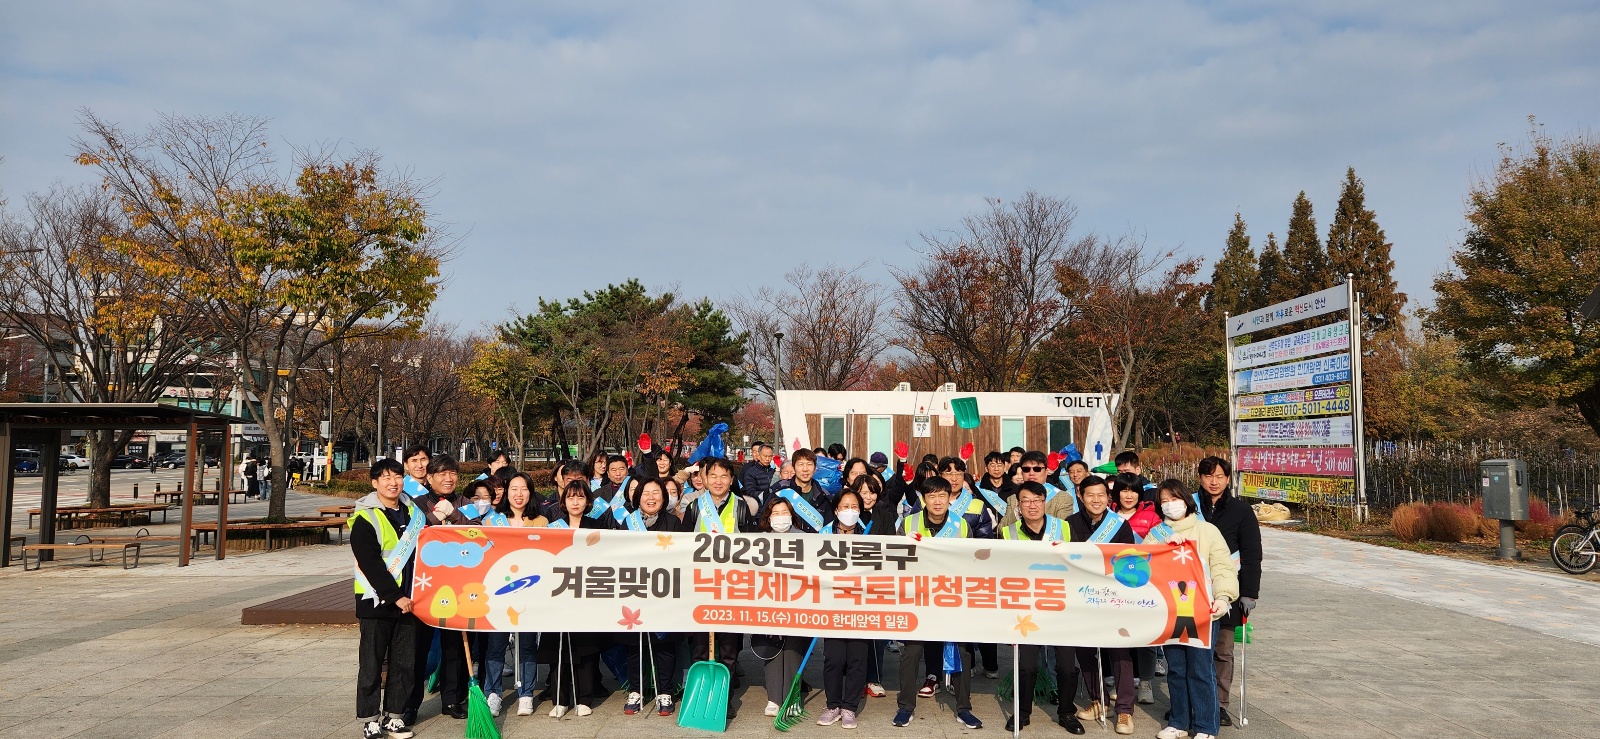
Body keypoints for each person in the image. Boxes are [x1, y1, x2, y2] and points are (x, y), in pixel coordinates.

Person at [1151, 479, 1238, 739]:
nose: (1170, 505)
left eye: (1174, 499)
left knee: (1200, 668)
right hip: (1170, 611)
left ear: (1186, 501)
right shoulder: (1156, 533)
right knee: (1176, 668)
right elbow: (1144, 565)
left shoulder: (1207, 531)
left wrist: (1224, 596)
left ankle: (1205, 726)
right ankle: (1179, 721)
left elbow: (1222, 566)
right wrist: (1162, 546)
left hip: (1202, 610)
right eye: (1164, 501)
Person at [893, 476, 981, 729]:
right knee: (911, 652)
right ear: (924, 499)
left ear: (949, 498)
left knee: (961, 652)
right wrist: (904, 544)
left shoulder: (961, 526)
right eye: (931, 496)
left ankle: (964, 708)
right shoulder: (908, 523)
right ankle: (905, 706)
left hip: (951, 597)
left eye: (942, 495)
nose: (937, 501)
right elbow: (896, 560)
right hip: (918, 598)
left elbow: (971, 561)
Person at [677, 457, 758, 719]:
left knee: (729, 647)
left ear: (732, 480)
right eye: (713, 476)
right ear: (704, 478)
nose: (718, 481)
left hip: (732, 586)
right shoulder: (695, 507)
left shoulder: (741, 506)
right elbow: (683, 544)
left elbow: (751, 545)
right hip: (702, 585)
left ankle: (724, 698)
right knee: (701, 646)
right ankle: (701, 695)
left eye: (724, 476)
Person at [1001, 481, 1080, 733]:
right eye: (1026, 501)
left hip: (1060, 606)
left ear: (1045, 502)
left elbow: (1081, 562)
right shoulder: (1007, 533)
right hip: (1026, 608)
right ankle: (1022, 712)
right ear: (1018, 505)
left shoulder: (1064, 528)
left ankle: (1066, 712)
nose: (1032, 506)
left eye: (1037, 500)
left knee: (1066, 666)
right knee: (1027, 666)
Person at [351, 458, 421, 739]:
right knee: (371, 663)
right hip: (376, 601)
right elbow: (369, 563)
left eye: (398, 477)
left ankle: (395, 716)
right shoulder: (365, 518)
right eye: (387, 478)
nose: (393, 483)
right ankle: (369, 719)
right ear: (375, 483)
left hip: (411, 600)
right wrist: (395, 596)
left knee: (404, 663)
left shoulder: (414, 512)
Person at [1063, 475, 1137, 735]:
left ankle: (1125, 710)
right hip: (1082, 598)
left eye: (1101, 495)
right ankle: (1099, 700)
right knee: (1084, 650)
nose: (1096, 500)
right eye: (1090, 495)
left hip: (1113, 597)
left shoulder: (1120, 526)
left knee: (1120, 653)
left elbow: (1129, 561)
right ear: (1080, 496)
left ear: (1108, 497)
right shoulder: (1069, 524)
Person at [1195, 456, 1261, 728]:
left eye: (1220, 476)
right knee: (1194, 649)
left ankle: (1219, 704)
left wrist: (1249, 593)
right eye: (1209, 475)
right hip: (1192, 590)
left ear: (1228, 479)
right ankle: (1193, 701)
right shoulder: (1189, 506)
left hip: (1227, 591)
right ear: (1200, 477)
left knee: (1223, 650)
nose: (1214, 481)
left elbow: (1252, 553)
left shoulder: (1241, 511)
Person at [405, 454, 469, 724]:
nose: (448, 478)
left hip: (458, 585)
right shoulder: (416, 504)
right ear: (429, 478)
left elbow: (478, 531)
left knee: (454, 645)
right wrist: (434, 516)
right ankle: (410, 705)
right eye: (442, 473)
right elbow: (410, 535)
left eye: (452, 473)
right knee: (418, 648)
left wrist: (453, 514)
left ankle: (452, 699)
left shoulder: (465, 503)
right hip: (425, 586)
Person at [476, 473, 544, 717]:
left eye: (524, 488)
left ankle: (526, 693)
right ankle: (493, 692)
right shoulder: (493, 521)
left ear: (530, 492)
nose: (519, 494)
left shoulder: (541, 522)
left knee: (527, 646)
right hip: (499, 592)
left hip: (529, 592)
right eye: (514, 488)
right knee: (496, 645)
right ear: (506, 492)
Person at [541, 481, 610, 717]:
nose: (575, 502)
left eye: (580, 497)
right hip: (559, 593)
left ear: (588, 501)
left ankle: (584, 698)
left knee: (586, 647)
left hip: (586, 594)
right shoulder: (554, 528)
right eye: (570, 497)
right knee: (558, 647)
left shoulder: (597, 527)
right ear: (563, 501)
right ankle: (560, 700)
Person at [619, 479, 682, 717]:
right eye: (646, 493)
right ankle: (636, 690)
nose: (651, 497)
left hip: (664, 591)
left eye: (656, 492)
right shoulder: (628, 523)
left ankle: (665, 692)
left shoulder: (673, 523)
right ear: (638, 497)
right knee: (635, 645)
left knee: (664, 644)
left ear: (664, 497)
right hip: (634, 590)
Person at [813, 489, 871, 729]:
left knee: (857, 659)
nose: (850, 511)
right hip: (833, 605)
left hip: (861, 605)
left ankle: (849, 707)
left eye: (854, 507)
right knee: (834, 659)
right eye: (845, 507)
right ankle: (833, 705)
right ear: (836, 510)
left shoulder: (869, 534)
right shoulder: (823, 535)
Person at [757, 498, 812, 718]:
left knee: (792, 649)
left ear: (792, 515)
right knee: (772, 647)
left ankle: (790, 696)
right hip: (769, 599)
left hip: (797, 601)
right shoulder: (760, 541)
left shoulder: (806, 539)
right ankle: (773, 698)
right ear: (768, 518)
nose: (781, 517)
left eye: (784, 512)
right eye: (776, 513)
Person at [1111, 475, 1162, 706]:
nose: (1128, 495)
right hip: (1115, 584)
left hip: (1144, 583)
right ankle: (1120, 680)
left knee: (1146, 635)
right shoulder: (1108, 517)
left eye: (1133, 491)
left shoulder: (1152, 517)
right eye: (1124, 490)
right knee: (1118, 633)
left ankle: (1146, 682)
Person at [1000, 451, 1075, 527]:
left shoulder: (1063, 498)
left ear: (1046, 472)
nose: (1031, 473)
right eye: (1026, 469)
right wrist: (1018, 510)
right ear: (1022, 473)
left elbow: (1063, 529)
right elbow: (1001, 529)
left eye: (1037, 469)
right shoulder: (1013, 499)